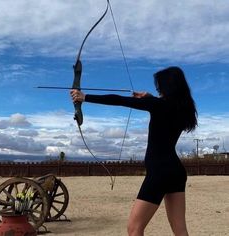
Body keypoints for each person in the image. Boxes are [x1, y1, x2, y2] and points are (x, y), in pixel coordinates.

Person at [70, 66, 197, 236]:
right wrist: (150, 98)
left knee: (134, 228)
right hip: (176, 171)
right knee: (180, 230)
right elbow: (164, 108)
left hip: (160, 171)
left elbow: (119, 100)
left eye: (159, 87)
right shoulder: (183, 108)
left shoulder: (158, 105)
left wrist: (85, 97)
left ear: (166, 87)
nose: (158, 90)